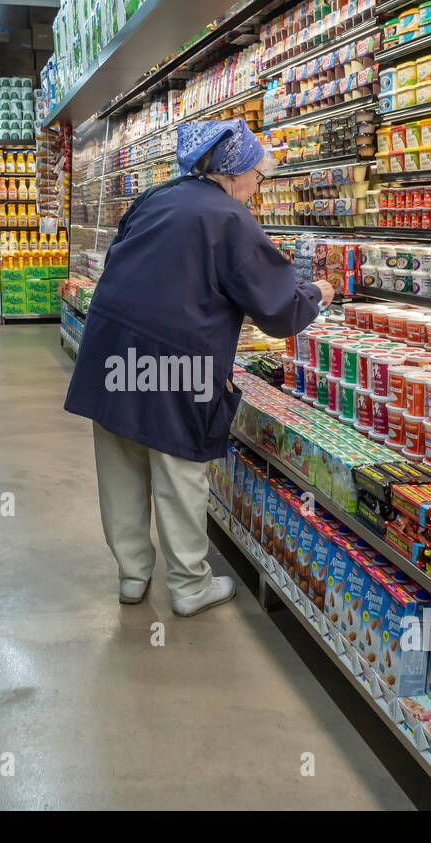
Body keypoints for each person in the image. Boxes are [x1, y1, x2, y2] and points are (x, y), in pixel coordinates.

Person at [64, 118, 335, 616]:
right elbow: (278, 312)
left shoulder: (158, 196)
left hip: (111, 346)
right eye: (257, 175)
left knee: (120, 456)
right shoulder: (231, 219)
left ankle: (131, 574)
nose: (258, 187)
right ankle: (189, 584)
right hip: (173, 359)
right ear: (234, 172)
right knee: (178, 464)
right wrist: (319, 294)